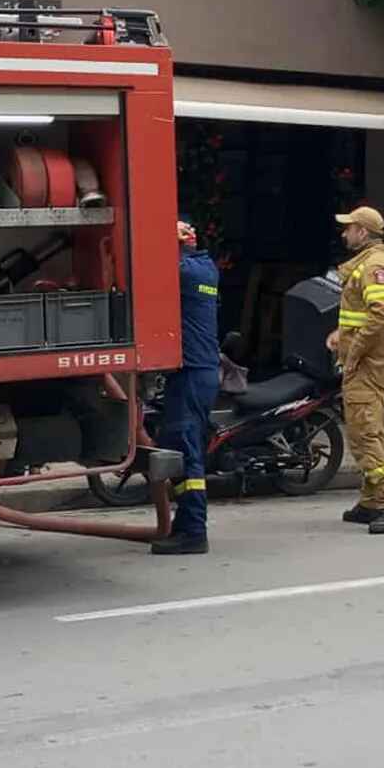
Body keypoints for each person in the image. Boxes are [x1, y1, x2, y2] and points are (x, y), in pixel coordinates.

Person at [329, 206, 384, 534]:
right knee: (365, 427)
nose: (344, 233)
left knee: (365, 430)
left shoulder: (374, 266)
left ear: (363, 232)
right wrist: (341, 337)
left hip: (367, 364)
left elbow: (380, 313)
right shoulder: (369, 264)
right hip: (367, 362)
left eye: (349, 228)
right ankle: (372, 500)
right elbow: (365, 316)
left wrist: (353, 351)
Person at [153, 218, 220, 555]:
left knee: (186, 451)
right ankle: (184, 523)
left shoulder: (185, 272)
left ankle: (194, 531)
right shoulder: (206, 268)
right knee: (177, 445)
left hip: (194, 372)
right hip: (197, 371)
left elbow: (154, 268)